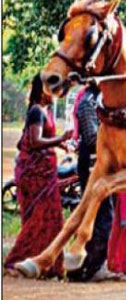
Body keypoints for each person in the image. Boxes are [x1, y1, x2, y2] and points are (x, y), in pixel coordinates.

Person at [6, 75, 73, 278]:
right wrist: (59, 139)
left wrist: (60, 143)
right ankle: (16, 262)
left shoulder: (47, 110)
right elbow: (35, 141)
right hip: (34, 173)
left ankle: (48, 265)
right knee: (39, 219)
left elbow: (42, 138)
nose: (59, 95)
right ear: (44, 91)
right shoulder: (36, 110)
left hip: (45, 171)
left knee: (53, 220)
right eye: (55, 90)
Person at [66, 79, 117, 282]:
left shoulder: (102, 100)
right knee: (101, 216)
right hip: (93, 165)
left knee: (100, 216)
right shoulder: (89, 102)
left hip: (102, 165)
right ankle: (90, 268)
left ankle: (85, 268)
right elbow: (91, 138)